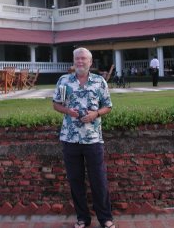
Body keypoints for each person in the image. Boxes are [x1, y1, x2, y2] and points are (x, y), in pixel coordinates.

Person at [53, 47, 115, 228]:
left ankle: (105, 218)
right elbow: (56, 105)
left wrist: (96, 114)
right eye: (77, 59)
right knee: (75, 181)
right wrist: (67, 111)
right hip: (70, 138)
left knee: (99, 180)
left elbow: (108, 106)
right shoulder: (64, 81)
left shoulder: (99, 81)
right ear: (73, 61)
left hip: (93, 139)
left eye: (83, 59)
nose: (80, 62)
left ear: (90, 62)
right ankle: (82, 218)